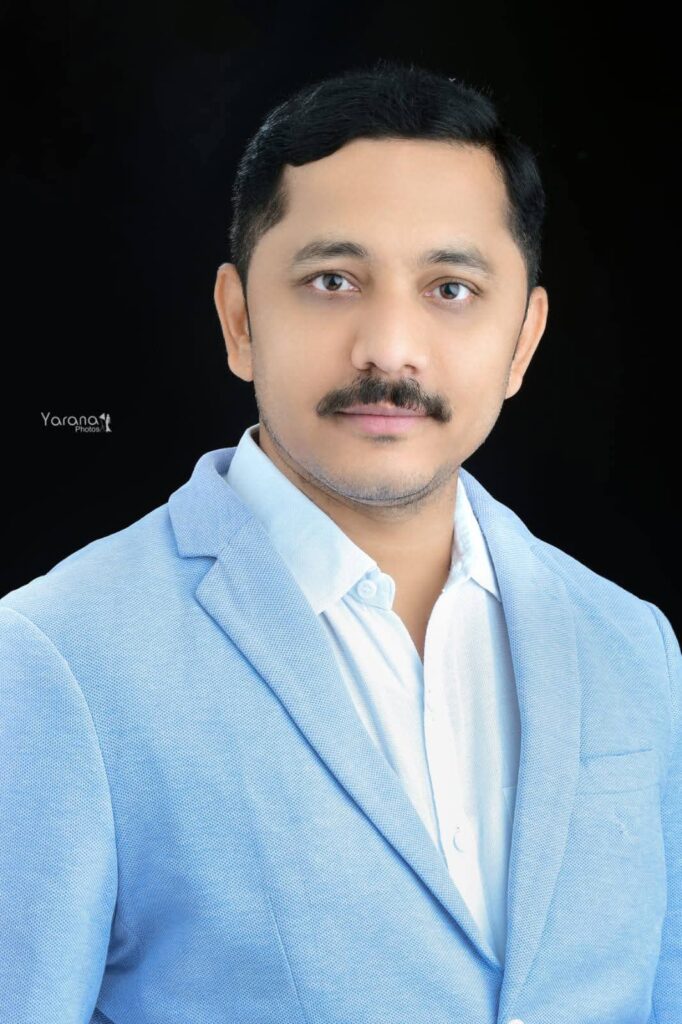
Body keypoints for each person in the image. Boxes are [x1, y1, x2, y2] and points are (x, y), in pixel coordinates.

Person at [1, 59, 678, 1024]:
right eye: (332, 280)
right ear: (239, 320)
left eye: (451, 288)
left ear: (524, 341)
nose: (389, 348)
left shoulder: (633, 646)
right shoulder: (54, 658)